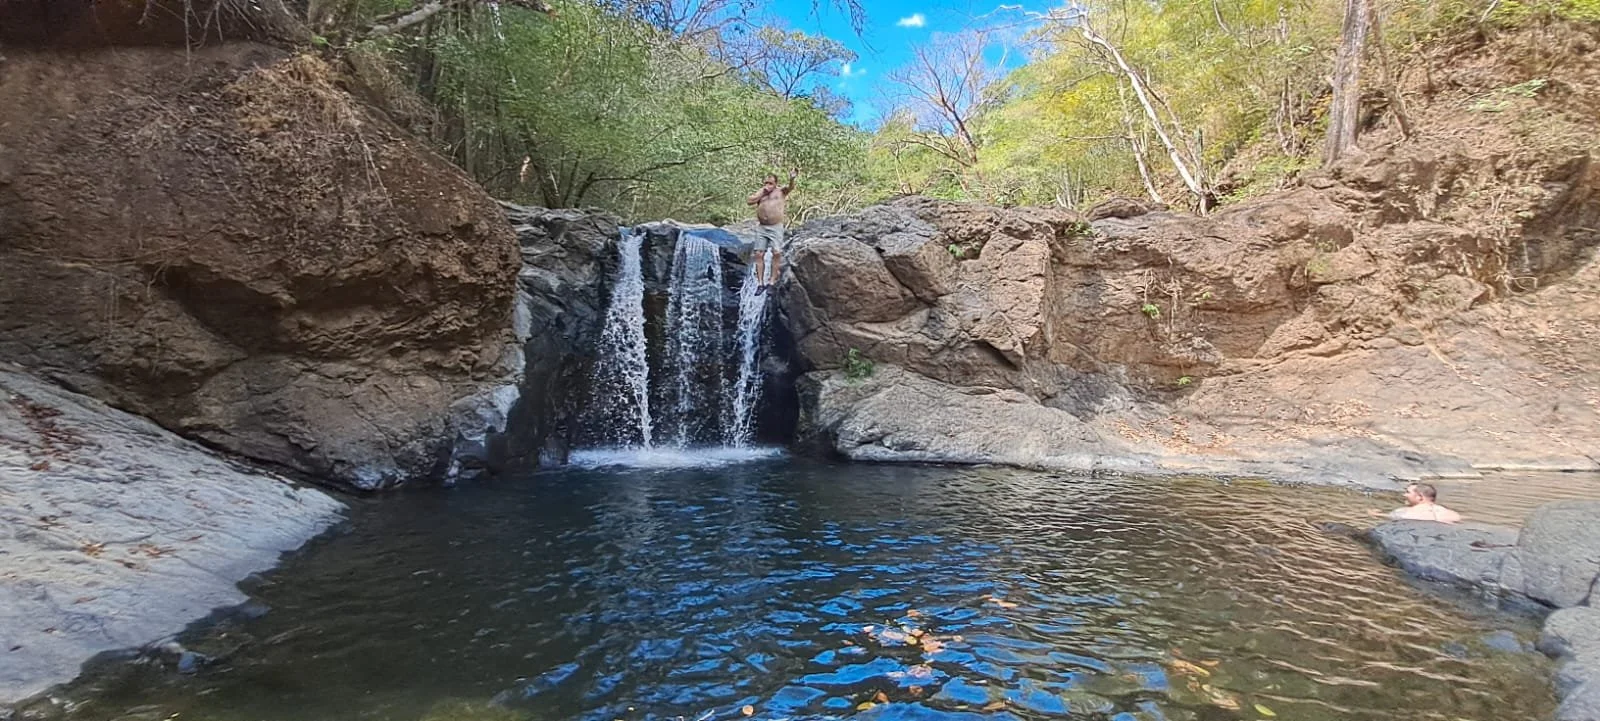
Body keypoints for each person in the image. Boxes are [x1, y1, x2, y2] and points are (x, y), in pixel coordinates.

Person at [746, 169, 797, 294]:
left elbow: (791, 187)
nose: (767, 185)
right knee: (759, 254)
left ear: (775, 184)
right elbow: (749, 201)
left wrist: (792, 178)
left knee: (777, 252)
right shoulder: (761, 192)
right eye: (766, 183)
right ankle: (760, 283)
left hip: (776, 226)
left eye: (770, 183)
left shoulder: (781, 191)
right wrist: (762, 193)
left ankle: (772, 281)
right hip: (762, 228)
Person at [1369, 483, 1462, 523]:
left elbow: (1390, 517)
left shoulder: (1403, 513)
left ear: (1419, 497)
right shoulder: (1451, 514)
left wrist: (1374, 514)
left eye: (1408, 492)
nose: (1404, 495)